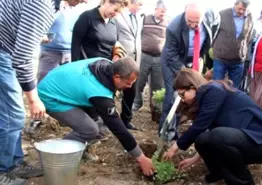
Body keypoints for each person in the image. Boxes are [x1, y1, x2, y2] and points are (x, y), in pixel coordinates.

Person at [0, 0, 85, 184]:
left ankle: (14, 163)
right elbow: (22, 58)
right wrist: (33, 99)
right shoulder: (42, 5)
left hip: (7, 50)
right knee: (11, 116)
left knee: (11, 115)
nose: (83, 2)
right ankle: (2, 171)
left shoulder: (49, 5)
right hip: (3, 52)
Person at [37, 57, 155, 176]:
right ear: (117, 77)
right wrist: (141, 158)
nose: (129, 86)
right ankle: (59, 156)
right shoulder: (98, 91)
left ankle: (82, 145)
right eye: (128, 83)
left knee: (104, 121)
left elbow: (118, 106)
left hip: (63, 87)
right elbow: (118, 129)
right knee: (90, 129)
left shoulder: (107, 64)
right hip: (50, 97)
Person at [163, 69, 262, 185]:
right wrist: (194, 159)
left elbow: (201, 126)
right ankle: (218, 174)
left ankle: (243, 182)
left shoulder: (213, 90)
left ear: (193, 88)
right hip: (245, 140)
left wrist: (175, 147)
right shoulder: (210, 97)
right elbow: (208, 134)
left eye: (182, 94)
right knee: (202, 140)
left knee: (216, 136)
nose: (183, 99)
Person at [159, 2, 220, 140]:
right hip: (172, 62)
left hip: (191, 59)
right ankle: (164, 132)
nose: (193, 25)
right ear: (185, 14)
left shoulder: (212, 18)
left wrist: (208, 66)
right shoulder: (173, 27)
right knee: (173, 94)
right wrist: (187, 75)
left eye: (196, 22)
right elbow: (172, 55)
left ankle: (175, 131)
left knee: (186, 96)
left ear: (203, 17)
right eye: (189, 22)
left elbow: (209, 43)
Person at [26, 0, 88, 133]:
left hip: (68, 52)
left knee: (65, 86)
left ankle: (62, 116)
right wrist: (43, 37)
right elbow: (38, 27)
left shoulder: (76, 11)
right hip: (50, 52)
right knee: (43, 84)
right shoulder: (51, 7)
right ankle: (36, 119)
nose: (82, 3)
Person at [132, 0, 168, 116]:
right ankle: (137, 103)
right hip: (145, 55)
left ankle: (156, 109)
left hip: (159, 58)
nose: (163, 14)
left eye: (165, 12)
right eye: (161, 11)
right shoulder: (145, 19)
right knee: (139, 81)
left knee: (158, 85)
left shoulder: (167, 22)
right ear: (156, 9)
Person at [115, 0, 144, 130]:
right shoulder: (118, 15)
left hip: (135, 61)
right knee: (112, 91)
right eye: (140, 4)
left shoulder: (139, 17)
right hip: (120, 61)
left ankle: (126, 119)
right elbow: (113, 37)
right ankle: (105, 119)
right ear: (132, 2)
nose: (141, 7)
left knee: (131, 91)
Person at [211, 0, 254, 87]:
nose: (241, 11)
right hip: (220, 58)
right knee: (217, 86)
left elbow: (248, 37)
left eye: (244, 9)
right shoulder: (222, 14)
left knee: (234, 89)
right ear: (235, 5)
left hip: (238, 60)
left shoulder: (250, 17)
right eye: (239, 9)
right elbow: (213, 33)